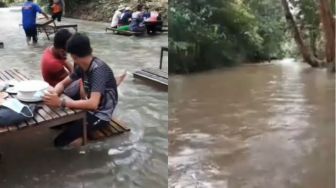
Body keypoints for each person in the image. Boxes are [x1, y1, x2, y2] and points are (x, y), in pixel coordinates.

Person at [43, 33, 123, 147]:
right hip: (89, 108)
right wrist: (54, 94)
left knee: (60, 143)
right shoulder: (82, 66)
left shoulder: (98, 70)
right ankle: (80, 135)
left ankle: (86, 146)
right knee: (55, 125)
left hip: (100, 115)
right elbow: (63, 83)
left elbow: (93, 104)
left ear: (74, 56)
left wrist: (61, 102)